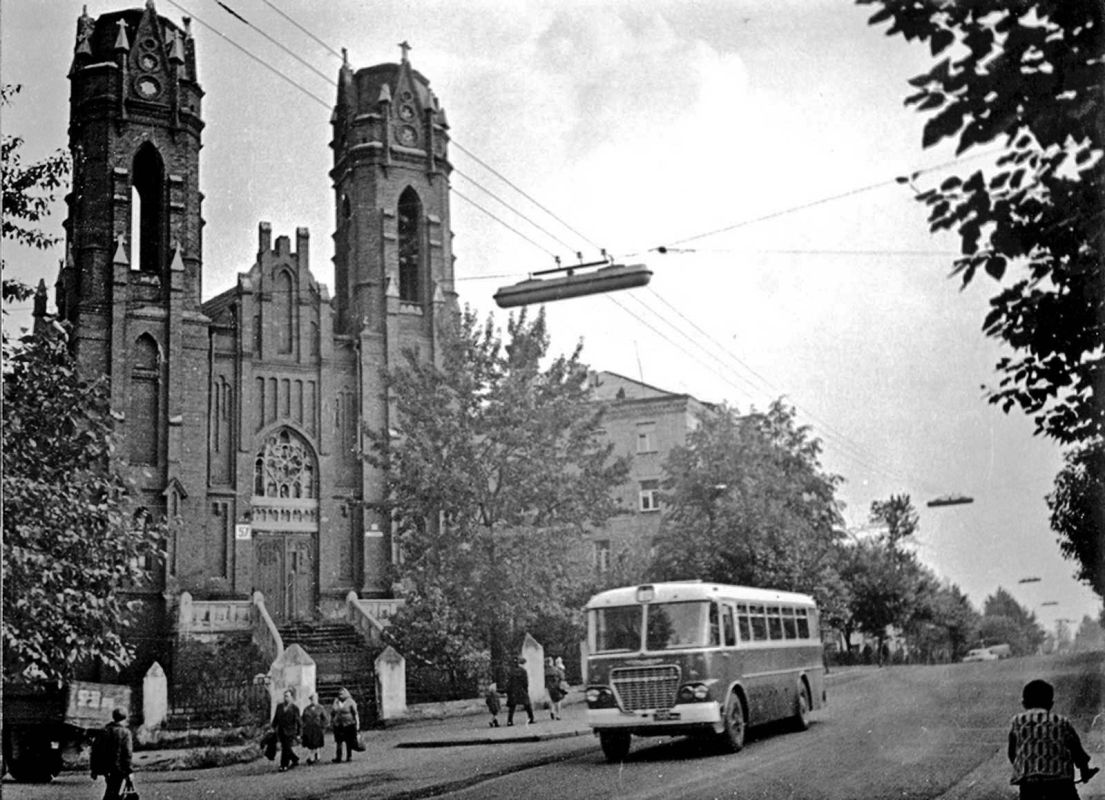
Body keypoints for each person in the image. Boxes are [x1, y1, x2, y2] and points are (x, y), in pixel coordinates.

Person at [1008, 678, 1098, 799]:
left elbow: (1012, 753)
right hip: (1060, 782)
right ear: (1050, 704)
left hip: (1030, 784)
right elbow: (1077, 750)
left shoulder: (1017, 722)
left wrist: (1024, 767)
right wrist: (1084, 770)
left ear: (1024, 703)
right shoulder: (1061, 721)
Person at [90, 707, 133, 800]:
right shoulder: (125, 732)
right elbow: (127, 754)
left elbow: (95, 750)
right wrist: (129, 771)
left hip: (105, 767)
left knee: (111, 791)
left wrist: (94, 769)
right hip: (118, 768)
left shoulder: (104, 731)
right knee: (112, 792)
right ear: (125, 718)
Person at [271, 689, 301, 772]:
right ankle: (295, 759)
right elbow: (276, 718)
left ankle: (284, 765)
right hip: (281, 730)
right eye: (284, 696)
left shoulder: (295, 708)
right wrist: (273, 727)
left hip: (290, 731)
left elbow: (298, 722)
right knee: (286, 747)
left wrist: (299, 733)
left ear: (291, 697)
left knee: (286, 748)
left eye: (287, 696)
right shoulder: (279, 706)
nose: (285, 698)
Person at [331, 687, 360, 762]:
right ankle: (338, 757)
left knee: (349, 741)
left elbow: (355, 713)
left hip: (349, 724)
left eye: (342, 694)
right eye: (339, 694)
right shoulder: (336, 701)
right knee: (338, 742)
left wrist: (357, 724)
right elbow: (333, 712)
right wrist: (333, 721)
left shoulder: (350, 701)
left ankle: (349, 756)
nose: (341, 696)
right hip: (338, 724)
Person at [506, 656, 535, 726]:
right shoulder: (523, 671)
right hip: (521, 689)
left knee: (512, 706)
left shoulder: (510, 671)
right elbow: (525, 682)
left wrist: (508, 691)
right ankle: (531, 718)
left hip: (513, 690)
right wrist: (526, 690)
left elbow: (508, 682)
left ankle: (510, 721)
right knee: (527, 704)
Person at [301, 694, 328, 764]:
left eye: (315, 699)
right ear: (310, 700)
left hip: (317, 728)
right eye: (312, 699)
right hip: (309, 729)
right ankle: (313, 755)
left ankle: (313, 757)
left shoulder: (321, 708)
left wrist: (323, 727)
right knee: (310, 744)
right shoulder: (306, 709)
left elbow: (325, 719)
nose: (314, 701)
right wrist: (304, 726)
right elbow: (303, 718)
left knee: (316, 743)